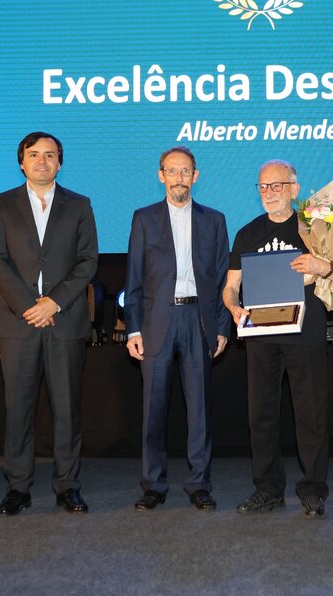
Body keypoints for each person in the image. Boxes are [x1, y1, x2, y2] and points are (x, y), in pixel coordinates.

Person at [223, 160, 333, 517]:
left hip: (305, 334)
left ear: (294, 189)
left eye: (277, 185)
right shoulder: (247, 233)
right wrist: (234, 308)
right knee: (261, 416)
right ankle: (267, 489)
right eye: (263, 187)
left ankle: (313, 490)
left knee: (311, 416)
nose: (269, 193)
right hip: (260, 336)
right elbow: (231, 287)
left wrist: (321, 266)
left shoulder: (318, 225)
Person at [0, 132, 98, 515]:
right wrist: (28, 306)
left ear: (60, 163)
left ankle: (68, 486)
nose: (42, 161)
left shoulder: (79, 205)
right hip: (19, 323)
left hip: (64, 321)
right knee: (18, 409)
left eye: (50, 155)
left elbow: (88, 261)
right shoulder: (2, 204)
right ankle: (18, 488)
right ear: (22, 162)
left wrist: (54, 302)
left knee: (67, 409)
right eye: (34, 154)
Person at [125, 146, 230, 512]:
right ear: (161, 176)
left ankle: (199, 484)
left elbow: (221, 279)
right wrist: (133, 329)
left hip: (199, 321)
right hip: (156, 323)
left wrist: (222, 326)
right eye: (172, 171)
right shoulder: (143, 218)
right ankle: (153, 485)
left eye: (185, 171)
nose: (179, 178)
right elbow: (134, 278)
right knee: (153, 410)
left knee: (199, 410)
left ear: (195, 176)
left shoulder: (214, 220)